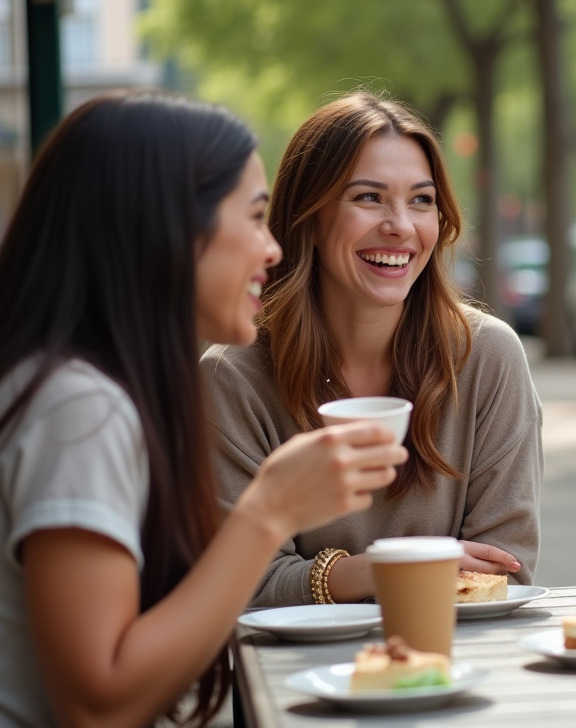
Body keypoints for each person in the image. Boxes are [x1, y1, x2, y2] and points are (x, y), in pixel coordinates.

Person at [0, 92, 403, 728]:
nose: (273, 249)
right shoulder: (78, 410)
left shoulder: (91, 394)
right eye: (252, 218)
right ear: (162, 227)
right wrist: (269, 513)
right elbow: (98, 705)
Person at [202, 92, 543, 608]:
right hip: (294, 682)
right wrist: (370, 573)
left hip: (453, 664)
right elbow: (233, 589)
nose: (401, 226)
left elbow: (503, 569)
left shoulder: (488, 356)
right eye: (368, 197)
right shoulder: (234, 377)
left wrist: (318, 577)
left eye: (421, 200)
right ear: (309, 219)